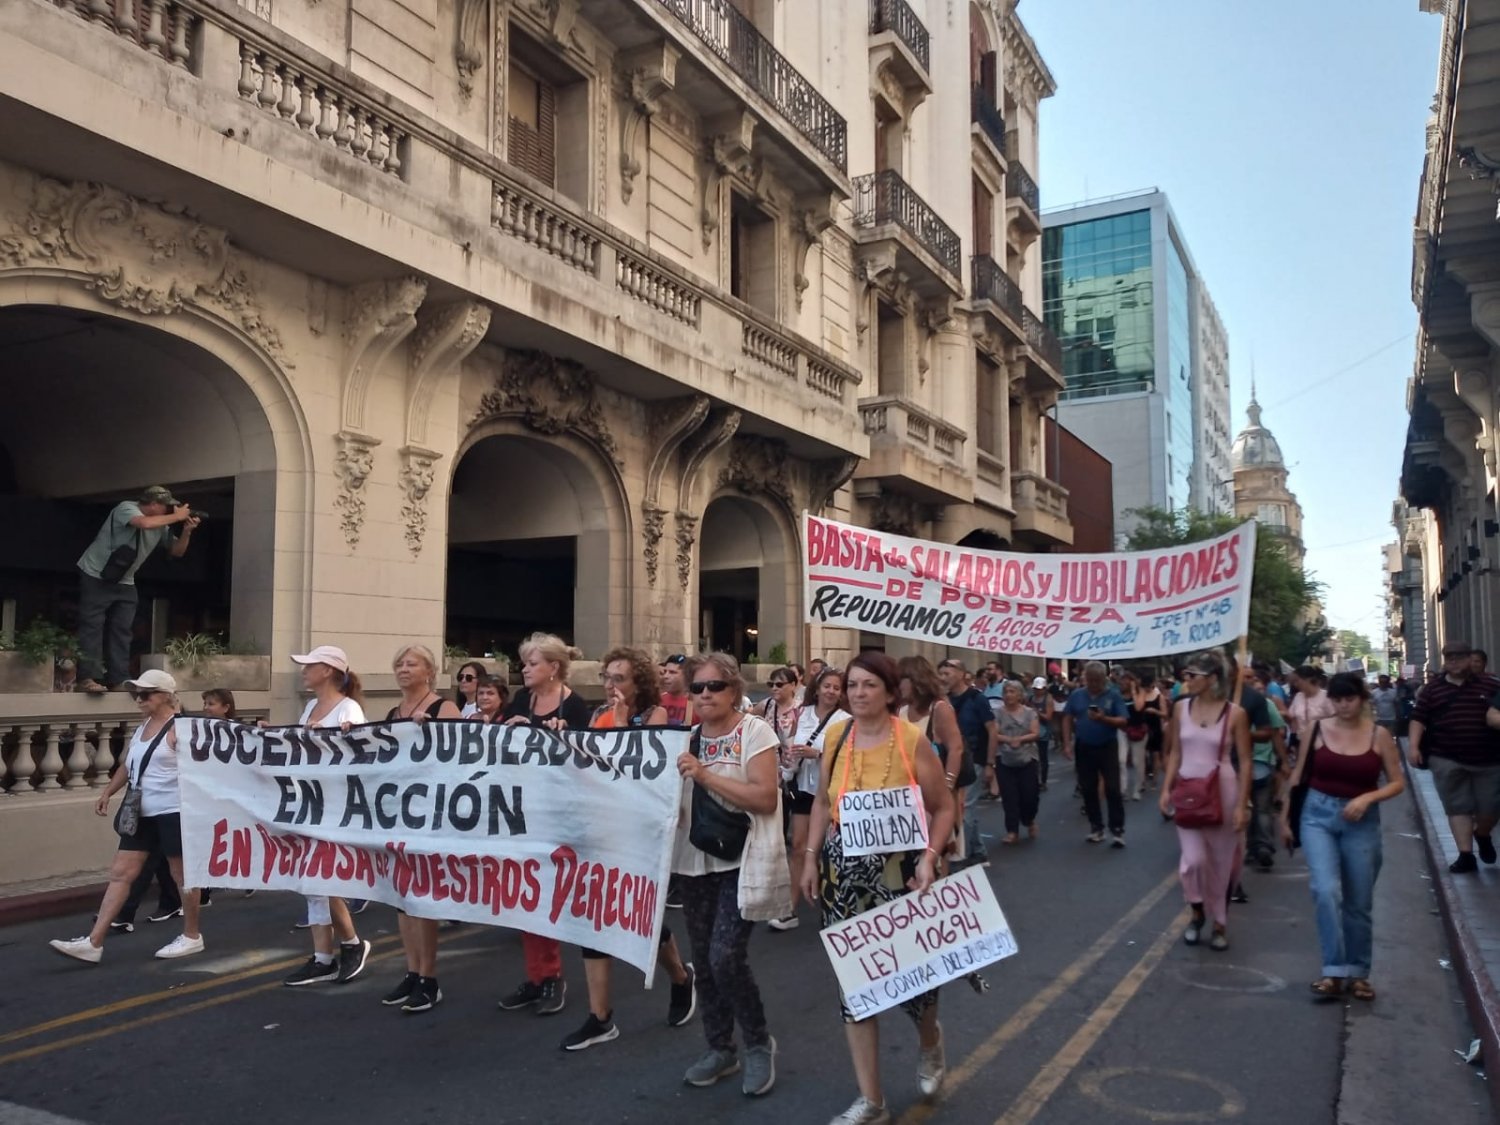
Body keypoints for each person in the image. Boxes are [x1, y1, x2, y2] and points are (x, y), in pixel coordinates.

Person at [800, 652, 956, 1125]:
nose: (858, 694)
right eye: (852, 685)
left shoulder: (911, 740)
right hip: (845, 874)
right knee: (856, 987)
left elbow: (943, 807)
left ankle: (930, 1042)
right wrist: (809, 859)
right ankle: (873, 1101)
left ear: (891, 692)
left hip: (902, 873)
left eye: (869, 685)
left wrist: (930, 858)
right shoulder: (836, 736)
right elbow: (824, 804)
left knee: (916, 984)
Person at [559, 647, 698, 1050]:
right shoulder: (597, 716)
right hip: (598, 828)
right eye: (607, 677)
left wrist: (620, 723)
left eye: (619, 678)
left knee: (637, 913)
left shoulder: (654, 716)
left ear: (638, 682)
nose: (610, 684)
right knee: (593, 917)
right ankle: (600, 1018)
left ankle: (680, 977)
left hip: (636, 831)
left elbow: (635, 768)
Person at [674, 652, 783, 1097]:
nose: (704, 695)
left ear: (734, 690)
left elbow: (764, 798)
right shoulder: (685, 738)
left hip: (742, 860)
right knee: (704, 962)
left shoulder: (756, 732)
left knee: (724, 956)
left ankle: (758, 1042)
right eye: (696, 688)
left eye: (713, 686)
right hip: (694, 863)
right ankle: (720, 1047)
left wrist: (704, 776)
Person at [49, 670, 204, 963]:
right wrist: (108, 792)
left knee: (182, 875)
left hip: (174, 812)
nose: (139, 699)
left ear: (165, 696)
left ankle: (192, 935)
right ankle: (94, 942)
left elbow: (205, 768)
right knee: (121, 873)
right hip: (142, 812)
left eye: (145, 694)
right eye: (136, 693)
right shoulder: (143, 725)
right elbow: (129, 764)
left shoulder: (182, 729)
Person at [1281, 673, 1405, 1001]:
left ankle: (1359, 972)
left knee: (1359, 902)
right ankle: (1333, 971)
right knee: (1325, 890)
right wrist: (1284, 819)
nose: (1343, 705)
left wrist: (1366, 798)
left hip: (1361, 820)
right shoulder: (1316, 730)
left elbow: (1396, 782)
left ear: (1361, 699)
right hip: (1317, 815)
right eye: (1337, 699)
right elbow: (1298, 775)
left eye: (1349, 699)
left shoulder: (1380, 736)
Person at [497, 633, 593, 1016]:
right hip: (523, 810)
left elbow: (588, 760)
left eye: (532, 663)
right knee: (526, 893)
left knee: (553, 896)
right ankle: (539, 976)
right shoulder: (522, 701)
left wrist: (564, 739)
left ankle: (552, 975)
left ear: (553, 667)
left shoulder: (576, 706)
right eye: (524, 663)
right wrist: (510, 728)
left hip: (560, 812)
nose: (525, 670)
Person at [281, 646, 372, 988]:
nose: (304, 671)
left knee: (322, 877)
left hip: (335, 806)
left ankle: (349, 944)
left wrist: (342, 736)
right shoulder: (309, 707)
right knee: (311, 882)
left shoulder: (350, 709)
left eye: (310, 666)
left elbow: (360, 755)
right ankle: (323, 956)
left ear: (329, 671)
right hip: (309, 802)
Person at [379, 643, 462, 1013]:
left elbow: (462, 754)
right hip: (399, 813)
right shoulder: (393, 712)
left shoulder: (444, 708)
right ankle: (412, 971)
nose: (403, 669)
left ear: (429, 671)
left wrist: (435, 734)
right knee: (402, 898)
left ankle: (429, 978)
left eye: (411, 664)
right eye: (399, 663)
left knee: (423, 897)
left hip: (430, 814)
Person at [1158, 651, 1252, 951]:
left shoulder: (1235, 713)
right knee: (1193, 861)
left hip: (1222, 791)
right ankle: (1197, 909)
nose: (1187, 680)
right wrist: (1165, 788)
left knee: (1222, 863)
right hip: (1187, 791)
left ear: (1212, 679)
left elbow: (1246, 762)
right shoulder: (1180, 708)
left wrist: (1241, 804)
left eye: (1193, 675)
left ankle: (1220, 922)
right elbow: (1175, 751)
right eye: (1187, 675)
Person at [75, 486, 200, 695]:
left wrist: (186, 530)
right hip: (96, 574)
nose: (169, 510)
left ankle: (119, 679)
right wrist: (177, 517)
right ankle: (87, 678)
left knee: (122, 629)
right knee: (92, 626)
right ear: (152, 504)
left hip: (125, 580)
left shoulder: (161, 524)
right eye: (166, 506)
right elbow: (144, 523)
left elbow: (177, 551)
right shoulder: (126, 508)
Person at [772, 665, 850, 931]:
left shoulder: (845, 719)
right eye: (826, 686)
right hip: (804, 787)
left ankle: (833, 905)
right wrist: (788, 763)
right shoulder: (801, 714)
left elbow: (848, 757)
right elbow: (791, 744)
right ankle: (790, 908)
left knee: (831, 850)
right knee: (798, 846)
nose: (830, 691)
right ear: (816, 688)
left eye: (836, 688)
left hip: (832, 790)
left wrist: (815, 754)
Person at [1414, 640, 1500, 873]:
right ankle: (1465, 855)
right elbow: (1418, 718)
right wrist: (1413, 747)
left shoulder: (1491, 685)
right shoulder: (1432, 689)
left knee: (1490, 807)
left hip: (1488, 758)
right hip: (1446, 756)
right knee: (1457, 807)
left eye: (1459, 657)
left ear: (1470, 659)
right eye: (1449, 657)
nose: (1453, 661)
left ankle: (1482, 835)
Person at [897, 656, 967, 865]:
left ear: (915, 680)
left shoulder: (940, 708)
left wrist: (947, 785)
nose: (898, 685)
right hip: (907, 794)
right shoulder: (901, 711)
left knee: (937, 853)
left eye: (902, 679)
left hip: (933, 793)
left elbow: (956, 748)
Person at [1060, 662, 1130, 846]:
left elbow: (1123, 720)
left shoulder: (1113, 695)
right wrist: (1067, 743)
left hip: (1107, 745)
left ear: (1104, 679)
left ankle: (1117, 829)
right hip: (1084, 746)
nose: (1093, 684)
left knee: (1113, 788)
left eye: (1097, 680)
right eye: (1089, 680)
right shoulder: (1077, 695)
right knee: (1088, 788)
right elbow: (1067, 717)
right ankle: (1096, 827)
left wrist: (1103, 718)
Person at [937, 659, 997, 860]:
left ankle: (964, 857)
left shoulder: (977, 699)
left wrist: (990, 763)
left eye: (948, 673)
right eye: (941, 674)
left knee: (965, 808)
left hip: (974, 759)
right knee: (961, 807)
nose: (943, 678)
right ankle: (978, 851)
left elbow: (992, 730)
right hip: (950, 760)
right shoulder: (942, 701)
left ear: (962, 674)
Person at [1244, 667, 1289, 870]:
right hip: (1234, 767)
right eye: (1246, 677)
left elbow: (1275, 734)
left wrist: (1284, 761)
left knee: (1261, 808)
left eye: (1252, 677)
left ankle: (1262, 847)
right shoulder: (1225, 705)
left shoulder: (1265, 704)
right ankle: (1248, 847)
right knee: (1244, 810)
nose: (1251, 680)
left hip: (1261, 763)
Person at [993, 681, 1040, 844]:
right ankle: (1012, 830)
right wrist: (1008, 739)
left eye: (1012, 692)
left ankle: (1029, 819)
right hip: (1005, 758)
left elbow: (1035, 733)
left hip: (1027, 757)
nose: (1008, 695)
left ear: (1020, 695)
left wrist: (1020, 739)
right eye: (1006, 692)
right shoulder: (997, 713)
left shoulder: (1029, 713)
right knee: (1009, 796)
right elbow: (994, 733)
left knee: (1029, 795)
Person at [1288, 666, 1335, 753]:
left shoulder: (1326, 697)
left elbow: (1334, 719)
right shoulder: (1298, 697)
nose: (1295, 684)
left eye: (1297, 680)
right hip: (1301, 743)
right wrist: (1293, 741)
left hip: (1323, 743)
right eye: (1294, 682)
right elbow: (1294, 720)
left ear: (1307, 679)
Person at [753, 667, 801, 744]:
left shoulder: (801, 709)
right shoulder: (766, 705)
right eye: (771, 685)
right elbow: (748, 722)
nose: (774, 688)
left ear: (793, 685)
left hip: (792, 754)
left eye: (779, 685)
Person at [1028, 677, 1056, 792]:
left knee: (1043, 757)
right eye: (1035, 689)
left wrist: (1037, 712)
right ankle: (1033, 780)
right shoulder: (1030, 698)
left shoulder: (1048, 699)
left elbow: (1049, 717)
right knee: (1032, 757)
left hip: (1043, 732)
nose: (1037, 691)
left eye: (1039, 689)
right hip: (1031, 731)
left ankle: (1043, 781)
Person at [660, 654, 696, 727]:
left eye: (672, 672)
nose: (665, 676)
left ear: (686, 675)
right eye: (665, 672)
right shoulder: (658, 699)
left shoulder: (697, 703)